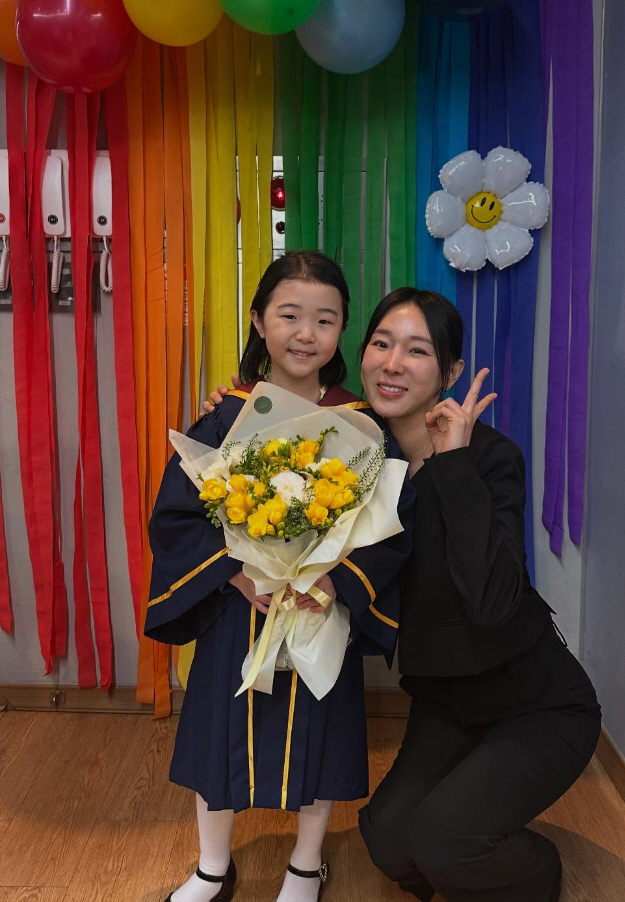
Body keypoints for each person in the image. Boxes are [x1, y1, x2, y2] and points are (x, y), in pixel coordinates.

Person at [206, 287, 601, 902]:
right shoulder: (356, 459)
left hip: (536, 705)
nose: (393, 363)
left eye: (417, 351)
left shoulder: (492, 458)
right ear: (362, 358)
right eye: (381, 345)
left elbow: (494, 601)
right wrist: (233, 412)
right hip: (447, 705)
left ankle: (533, 870)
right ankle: (471, 830)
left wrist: (453, 465)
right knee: (389, 840)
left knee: (446, 843)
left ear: (450, 372)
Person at [145, 252, 414, 902]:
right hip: (241, 606)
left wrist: (330, 580)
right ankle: (212, 864)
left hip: (322, 608)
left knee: (321, 738)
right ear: (258, 321)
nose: (305, 333)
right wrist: (238, 574)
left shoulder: (360, 425)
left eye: (324, 319)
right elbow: (182, 513)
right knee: (221, 731)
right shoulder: (227, 415)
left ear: (342, 328)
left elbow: (391, 519)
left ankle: (305, 863)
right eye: (288, 315)